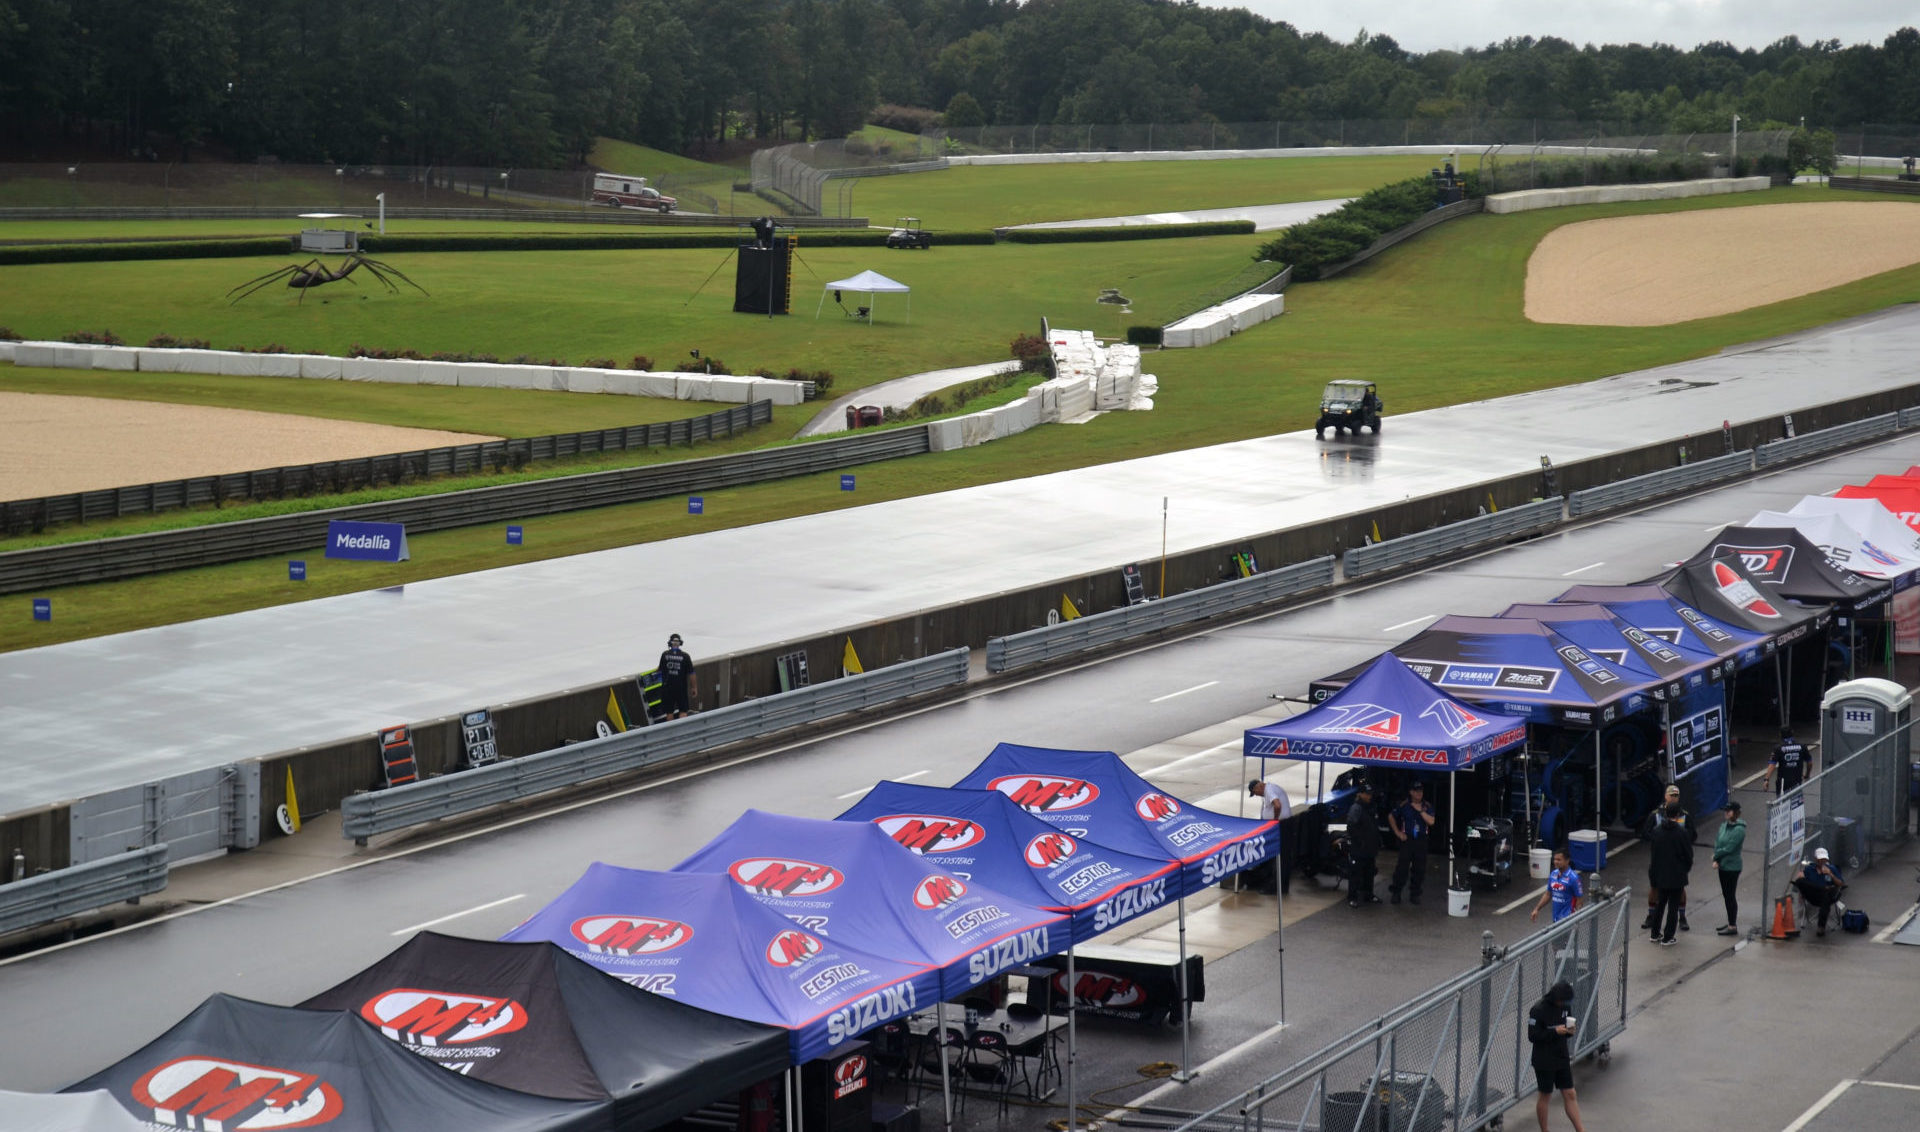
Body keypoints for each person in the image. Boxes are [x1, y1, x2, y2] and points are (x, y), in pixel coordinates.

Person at [1527, 981, 1589, 1132]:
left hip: (1561, 1056)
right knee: (1545, 1095)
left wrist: (1569, 1031)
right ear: (1557, 998)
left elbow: (1568, 1026)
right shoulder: (1538, 1010)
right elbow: (1533, 1035)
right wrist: (1554, 1032)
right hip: (1544, 1059)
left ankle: (1581, 1129)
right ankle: (1545, 1130)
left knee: (1570, 1092)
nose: (1566, 1004)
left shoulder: (1565, 1007)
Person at [1642, 784, 1692, 932]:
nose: (1674, 797)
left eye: (1676, 795)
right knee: (1655, 888)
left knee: (1680, 889)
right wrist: (1659, 842)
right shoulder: (1655, 815)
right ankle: (1651, 916)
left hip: (1677, 860)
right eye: (1672, 795)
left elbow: (1692, 834)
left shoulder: (1685, 815)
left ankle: (1682, 917)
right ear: (1665, 796)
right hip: (1659, 860)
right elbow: (1645, 833)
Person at [1387, 781, 1436, 905]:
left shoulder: (1427, 806)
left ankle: (1415, 894)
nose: (1419, 793)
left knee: (1419, 868)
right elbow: (1391, 816)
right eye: (1416, 791)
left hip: (1421, 840)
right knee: (1402, 868)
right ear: (1411, 792)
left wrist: (1420, 811)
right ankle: (1396, 893)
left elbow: (1431, 822)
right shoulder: (1404, 805)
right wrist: (1398, 833)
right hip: (1407, 839)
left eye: (1421, 791)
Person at [1248, 779, 1296, 895]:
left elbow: (1277, 805)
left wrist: (1275, 820)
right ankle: (1281, 886)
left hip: (1281, 826)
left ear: (1258, 787)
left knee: (1281, 857)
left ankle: (1277, 887)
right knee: (1282, 857)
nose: (1257, 795)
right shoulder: (1271, 788)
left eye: (1255, 792)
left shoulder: (1269, 790)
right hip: (1284, 825)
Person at [1792, 847, 1848, 937]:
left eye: (1824, 859)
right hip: (1813, 895)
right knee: (1800, 881)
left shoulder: (1832, 869)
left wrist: (1830, 874)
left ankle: (1821, 927)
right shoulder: (1810, 869)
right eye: (1820, 859)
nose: (1822, 862)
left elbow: (1841, 883)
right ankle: (1823, 888)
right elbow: (1801, 883)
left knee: (1826, 896)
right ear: (1816, 859)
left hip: (1827, 897)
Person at [1345, 781, 1382, 907]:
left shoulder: (1372, 807)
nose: (1369, 796)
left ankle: (1369, 894)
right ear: (1360, 794)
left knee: (1369, 873)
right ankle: (1352, 897)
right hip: (1359, 848)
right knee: (1355, 874)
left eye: (1370, 794)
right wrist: (1359, 841)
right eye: (1366, 794)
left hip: (1370, 848)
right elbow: (1351, 827)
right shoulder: (1356, 808)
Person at [1712, 801, 1746, 936]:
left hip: (1732, 867)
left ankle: (1732, 925)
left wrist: (1716, 856)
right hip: (1723, 865)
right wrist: (1717, 858)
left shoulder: (1739, 829)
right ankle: (1730, 921)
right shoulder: (1724, 826)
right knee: (1726, 896)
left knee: (1730, 895)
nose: (1726, 813)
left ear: (1736, 812)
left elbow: (1730, 847)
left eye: (1729, 811)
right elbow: (1718, 842)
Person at [1530, 848, 1584, 924]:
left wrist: (1575, 918)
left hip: (1568, 920)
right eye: (1555, 859)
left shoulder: (1574, 878)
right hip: (1556, 918)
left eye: (1559, 860)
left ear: (1567, 860)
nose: (1556, 862)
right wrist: (1537, 909)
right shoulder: (1553, 874)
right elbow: (1548, 894)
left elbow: (1580, 899)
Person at [657, 633, 697, 719]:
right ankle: (683, 730)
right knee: (683, 710)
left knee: (669, 711)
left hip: (667, 687)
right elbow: (691, 673)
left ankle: (670, 731)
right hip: (681, 688)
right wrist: (694, 688)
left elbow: (659, 670)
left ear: (669, 643)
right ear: (680, 643)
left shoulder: (664, 655)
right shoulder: (685, 656)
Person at [1767, 726, 1811, 796]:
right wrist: (1807, 774)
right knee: (1796, 803)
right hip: (1797, 780)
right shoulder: (1802, 746)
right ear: (1792, 733)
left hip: (1783, 782)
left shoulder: (1778, 748)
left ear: (1780, 735)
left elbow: (1772, 764)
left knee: (1782, 803)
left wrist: (1766, 779)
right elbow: (1809, 762)